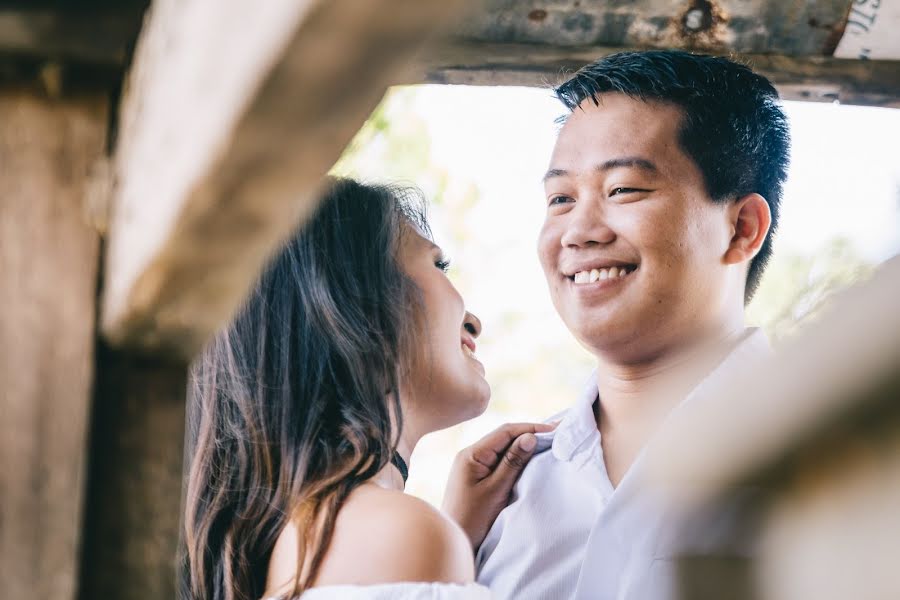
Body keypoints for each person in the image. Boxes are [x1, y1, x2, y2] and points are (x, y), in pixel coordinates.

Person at [443, 50, 791, 599]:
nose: (578, 232)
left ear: (741, 228)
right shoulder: (501, 499)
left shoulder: (844, 461)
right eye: (560, 199)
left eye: (623, 189)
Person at [182, 178, 551, 600]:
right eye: (438, 265)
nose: (474, 322)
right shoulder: (388, 534)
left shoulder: (301, 541)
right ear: (355, 302)